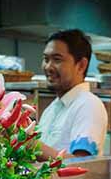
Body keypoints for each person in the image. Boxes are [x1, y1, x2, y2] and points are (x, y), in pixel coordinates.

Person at [37, 29, 107, 158]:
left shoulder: (88, 105)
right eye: (46, 59)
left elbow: (82, 163)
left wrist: (32, 146)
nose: (48, 67)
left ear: (81, 65)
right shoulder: (51, 109)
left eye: (57, 59)